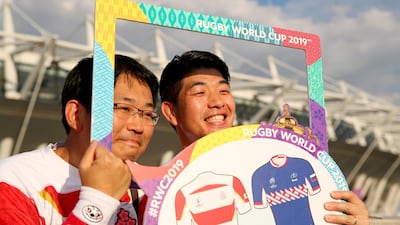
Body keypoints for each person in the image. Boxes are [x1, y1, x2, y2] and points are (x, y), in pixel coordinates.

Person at [159, 50, 370, 225]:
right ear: (170, 112)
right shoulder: (160, 194)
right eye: (200, 93)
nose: (217, 102)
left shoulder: (261, 167)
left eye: (224, 91)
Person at [0, 54, 159, 224]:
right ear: (75, 115)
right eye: (124, 108)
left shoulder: (150, 193)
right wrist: (98, 200)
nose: (139, 126)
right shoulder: (15, 182)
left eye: (148, 114)